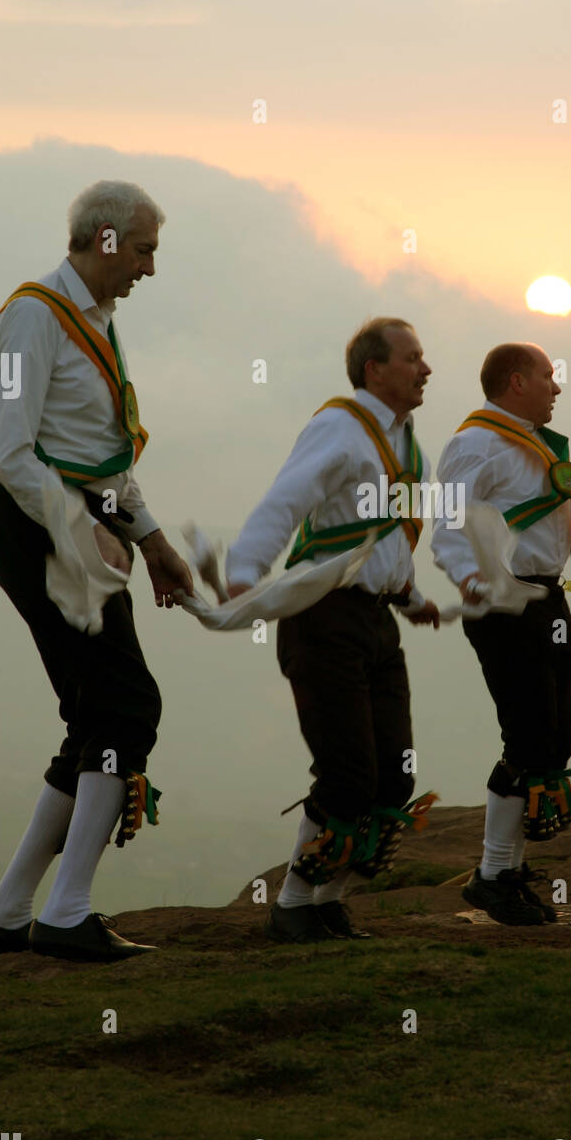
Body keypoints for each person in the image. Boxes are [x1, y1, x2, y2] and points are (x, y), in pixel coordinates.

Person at [0, 181, 193, 962]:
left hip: (78, 531)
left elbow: (100, 457)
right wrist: (80, 533)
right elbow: (10, 451)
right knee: (125, 708)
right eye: (144, 251)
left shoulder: (95, 322)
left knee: (97, 712)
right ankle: (66, 914)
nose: (148, 269)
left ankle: (6, 915)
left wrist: (153, 539)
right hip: (38, 531)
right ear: (104, 240)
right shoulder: (31, 317)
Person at [225, 318, 440, 944]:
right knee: (347, 771)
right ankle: (294, 904)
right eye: (413, 359)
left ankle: (328, 902)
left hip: (375, 618)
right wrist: (245, 570)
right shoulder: (339, 426)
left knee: (393, 776)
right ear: (375, 369)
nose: (425, 370)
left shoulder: (405, 441)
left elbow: (384, 539)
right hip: (320, 614)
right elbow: (286, 500)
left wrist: (412, 595)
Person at [431, 343, 571, 926]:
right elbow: (449, 533)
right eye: (547, 377)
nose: (556, 388)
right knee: (529, 732)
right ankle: (492, 876)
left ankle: (508, 870)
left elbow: (552, 527)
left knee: (556, 737)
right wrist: (483, 587)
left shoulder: (533, 447)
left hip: (548, 596)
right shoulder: (475, 444)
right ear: (516, 381)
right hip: (507, 600)